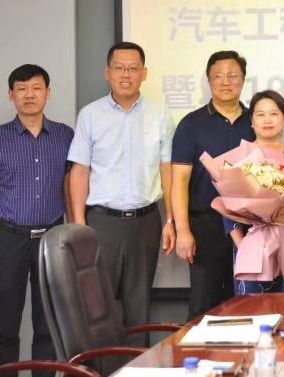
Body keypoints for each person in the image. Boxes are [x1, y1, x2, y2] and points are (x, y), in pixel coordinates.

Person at [67, 42, 175, 343]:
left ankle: (136, 365)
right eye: (119, 68)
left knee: (139, 306)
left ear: (144, 73)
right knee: (97, 305)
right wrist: (79, 224)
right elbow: (80, 171)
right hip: (102, 222)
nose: (125, 74)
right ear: (107, 72)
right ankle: (100, 365)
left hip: (146, 221)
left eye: (132, 68)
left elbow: (167, 171)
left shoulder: (160, 113)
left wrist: (170, 220)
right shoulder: (90, 115)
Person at [0, 64, 74, 376]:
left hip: (52, 239)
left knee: (48, 324)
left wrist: (72, 236)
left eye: (36, 88)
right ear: (11, 94)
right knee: (6, 326)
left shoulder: (65, 136)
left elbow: (71, 187)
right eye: (22, 89)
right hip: (9, 238)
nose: (29, 94)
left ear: (48, 93)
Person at [171, 50, 254, 319]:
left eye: (233, 76)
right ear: (209, 80)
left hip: (248, 225)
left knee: (243, 302)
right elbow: (179, 181)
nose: (225, 81)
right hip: (205, 226)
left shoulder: (256, 121)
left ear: (243, 80)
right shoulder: (191, 124)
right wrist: (182, 230)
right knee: (203, 305)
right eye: (218, 76)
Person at [229, 90, 284, 295]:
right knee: (252, 307)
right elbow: (227, 206)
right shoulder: (240, 158)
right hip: (250, 243)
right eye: (260, 114)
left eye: (274, 114)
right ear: (251, 121)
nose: (267, 120)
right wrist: (241, 243)